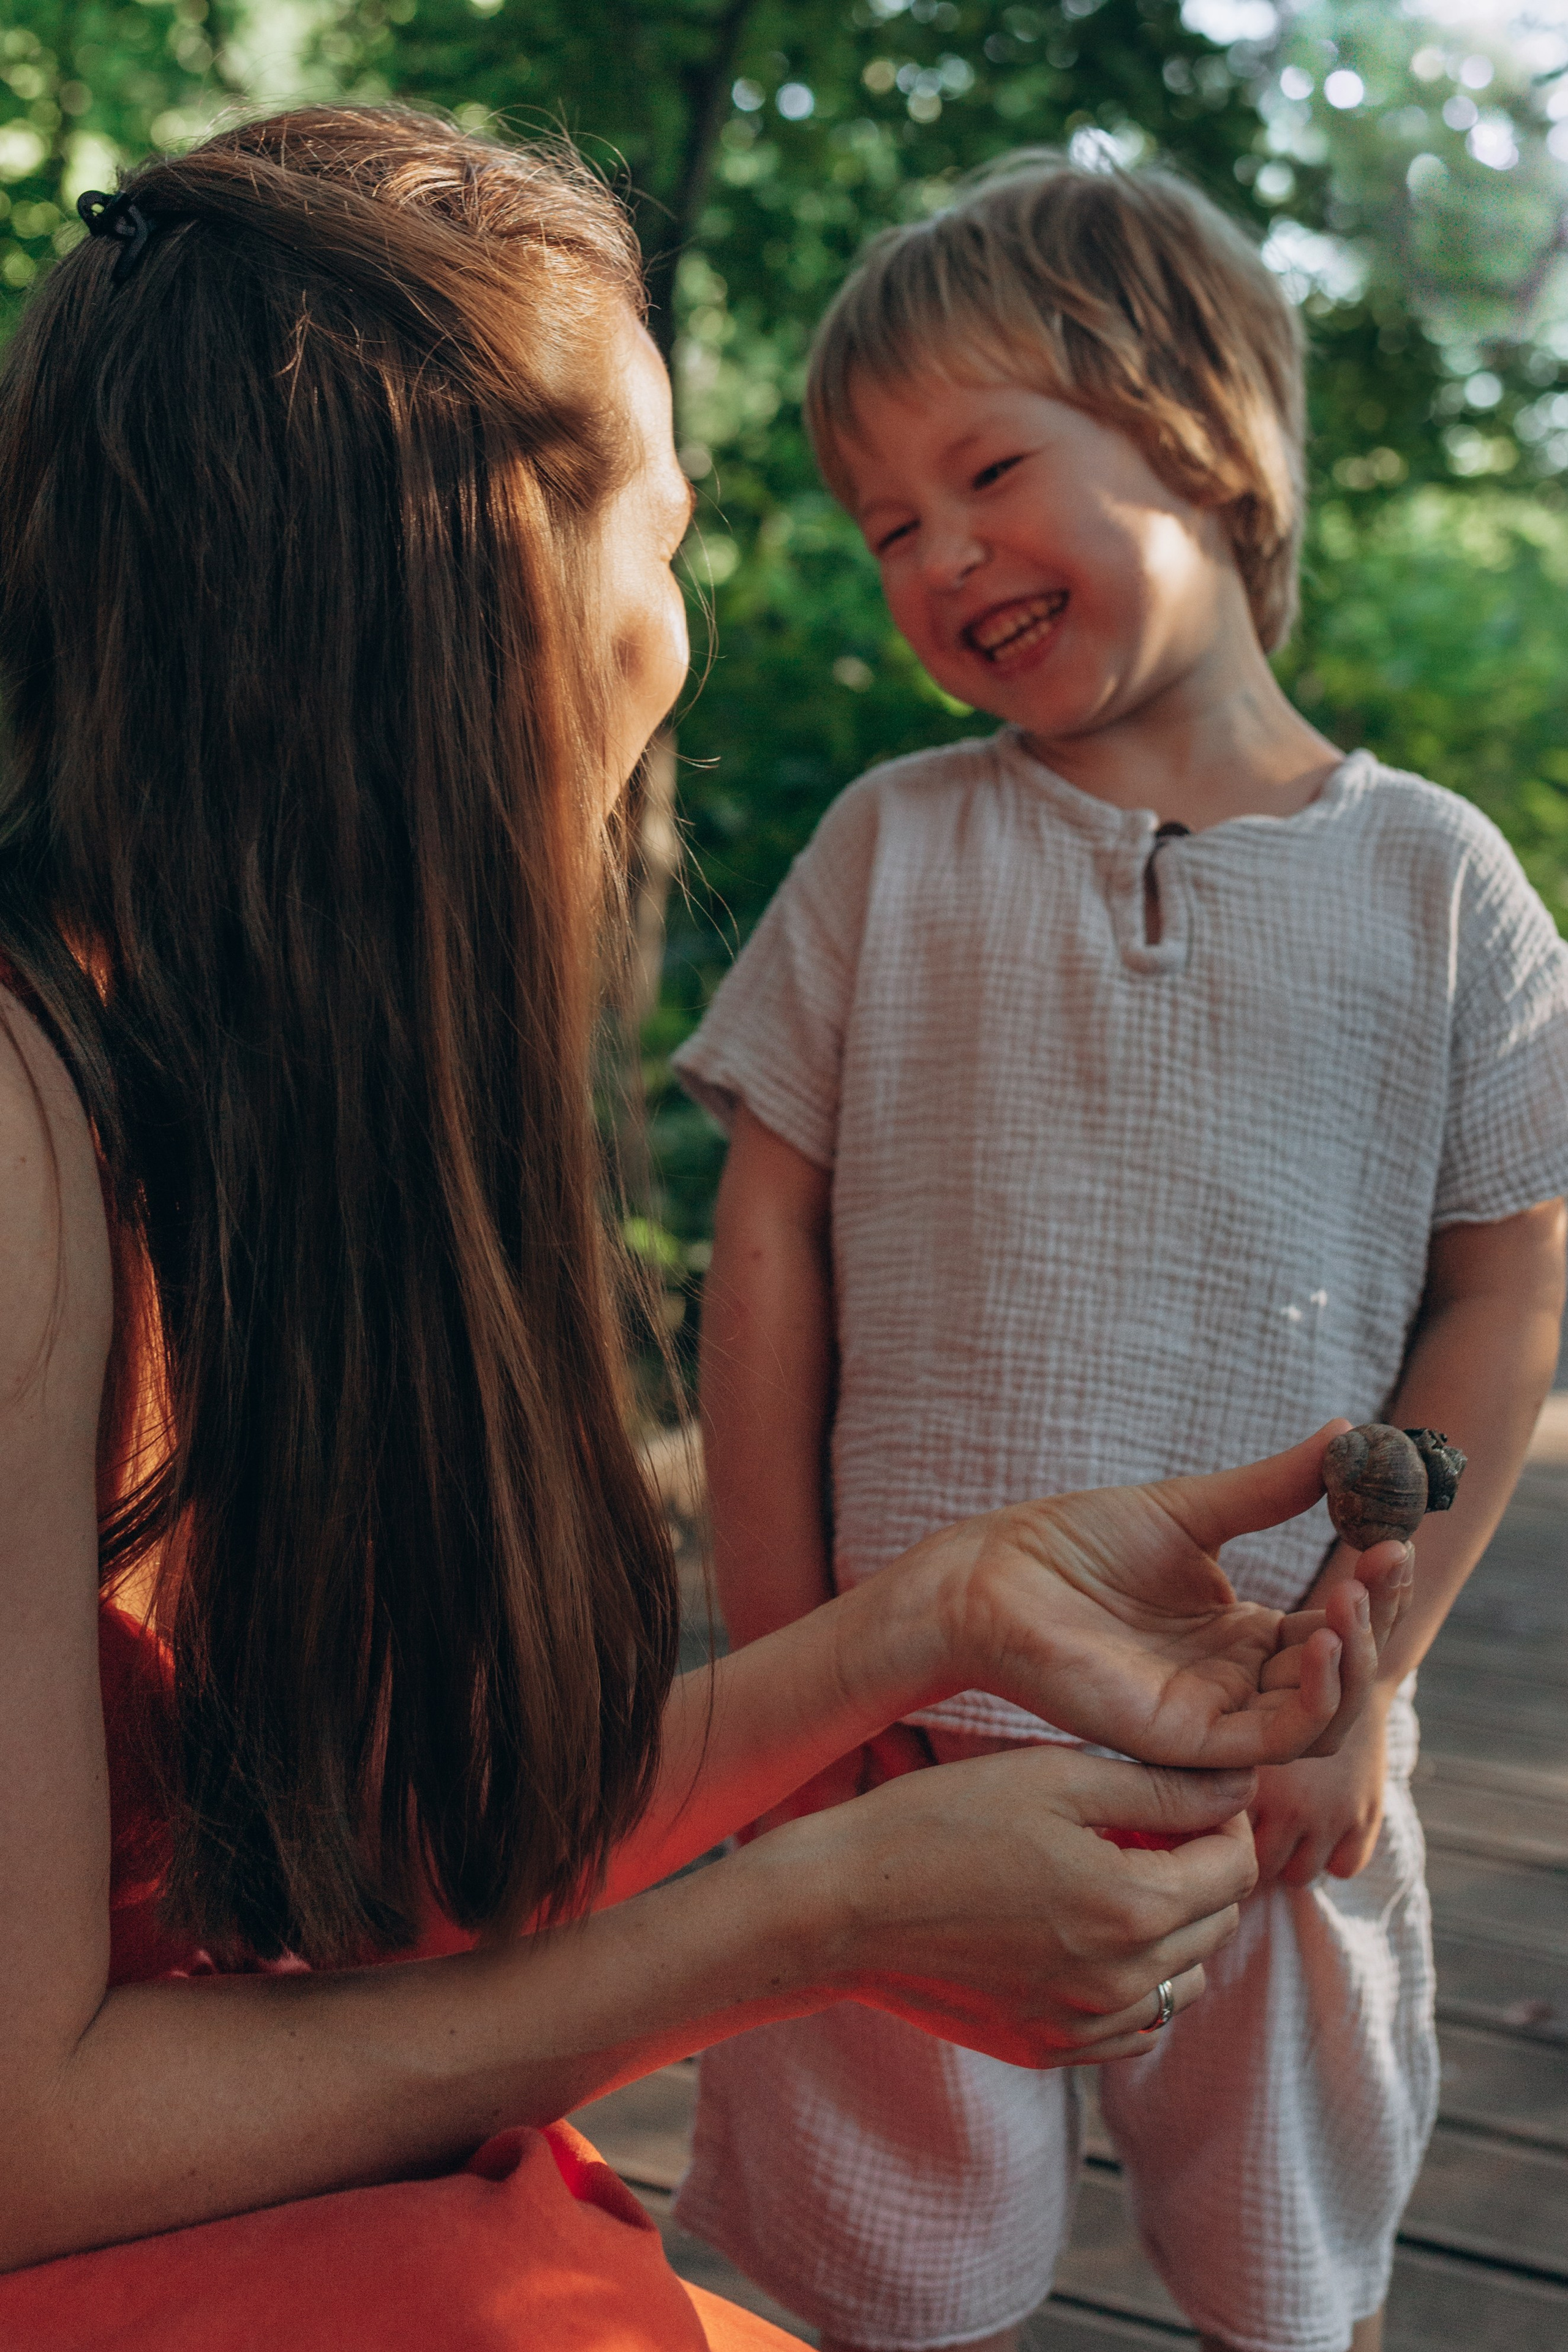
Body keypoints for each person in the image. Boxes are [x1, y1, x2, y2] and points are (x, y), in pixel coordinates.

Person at [0, 110, 1412, 2350]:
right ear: (460, 576)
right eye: (666, 536)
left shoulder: (240, 1103)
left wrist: (923, 1624)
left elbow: (390, 1888)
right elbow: (28, 2132)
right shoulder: (19, 1127)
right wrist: (814, 1914)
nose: (695, 623)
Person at [669, 153, 1568, 2352]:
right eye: (888, 523)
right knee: (874, 2287)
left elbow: (1510, 1284)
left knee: (1292, 2274)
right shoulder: (894, 843)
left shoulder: (1439, 889)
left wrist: (1376, 1676)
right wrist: (796, 1672)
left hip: (1271, 1754)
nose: (938, 552)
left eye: (986, 471)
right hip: (901, 1750)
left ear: (1203, 440)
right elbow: (763, 1240)